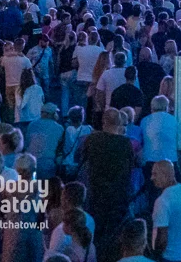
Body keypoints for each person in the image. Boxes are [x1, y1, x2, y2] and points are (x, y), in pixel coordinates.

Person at [76, 108, 136, 262]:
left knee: (96, 232)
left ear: (104, 121)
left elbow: (80, 158)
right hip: (119, 195)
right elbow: (132, 165)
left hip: (96, 193)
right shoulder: (126, 143)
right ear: (120, 123)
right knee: (115, 234)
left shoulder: (92, 139)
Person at [151, 159, 181, 262]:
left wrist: (156, 253)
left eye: (155, 174)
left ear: (165, 175)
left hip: (170, 256)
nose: (152, 178)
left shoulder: (162, 201)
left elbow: (162, 237)